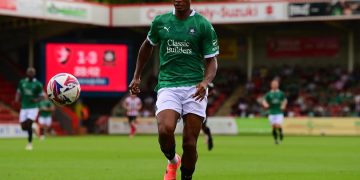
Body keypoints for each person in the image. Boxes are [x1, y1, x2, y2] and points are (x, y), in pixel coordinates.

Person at [129, 0, 219, 179]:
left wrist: (205, 82)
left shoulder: (203, 25)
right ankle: (172, 160)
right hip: (168, 85)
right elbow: (147, 46)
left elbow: (211, 60)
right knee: (165, 129)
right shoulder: (160, 22)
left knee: (190, 144)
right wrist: (137, 76)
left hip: (194, 87)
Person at [15, 67, 44, 150]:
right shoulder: (22, 82)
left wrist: (36, 99)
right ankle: (34, 126)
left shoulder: (38, 84)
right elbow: (18, 92)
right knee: (23, 127)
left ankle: (30, 143)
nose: (31, 74)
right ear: (27, 74)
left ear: (34, 74)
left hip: (33, 107)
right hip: (24, 107)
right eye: (29, 73)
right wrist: (17, 99)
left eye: (32, 73)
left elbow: (42, 96)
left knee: (29, 123)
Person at [262, 79, 287, 145]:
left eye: (276, 84)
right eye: (273, 84)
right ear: (271, 85)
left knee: (277, 125)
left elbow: (285, 100)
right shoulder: (269, 94)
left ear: (278, 85)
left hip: (279, 112)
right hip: (271, 112)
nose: (274, 85)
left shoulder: (281, 93)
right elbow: (264, 100)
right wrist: (265, 104)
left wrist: (283, 105)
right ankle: (275, 140)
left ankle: (281, 133)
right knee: (273, 126)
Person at [203, 83, 215, 151]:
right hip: (203, 108)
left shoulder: (208, 85)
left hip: (203, 109)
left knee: (203, 126)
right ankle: (209, 138)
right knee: (203, 126)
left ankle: (209, 138)